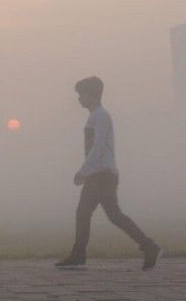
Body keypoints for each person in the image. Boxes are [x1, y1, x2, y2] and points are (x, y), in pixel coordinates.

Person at [55, 76, 161, 270]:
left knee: (111, 215)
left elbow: (99, 146)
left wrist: (83, 171)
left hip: (103, 175)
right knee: (89, 214)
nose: (79, 99)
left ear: (92, 95)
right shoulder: (94, 116)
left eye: (81, 95)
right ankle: (79, 254)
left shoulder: (101, 116)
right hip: (98, 174)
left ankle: (149, 246)